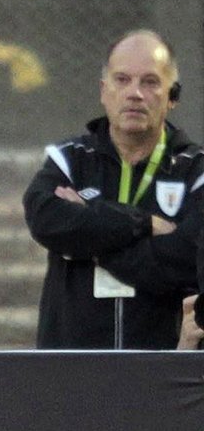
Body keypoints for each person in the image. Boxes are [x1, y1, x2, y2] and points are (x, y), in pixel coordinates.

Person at [23, 29, 204, 349]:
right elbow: (46, 219)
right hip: (74, 364)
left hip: (165, 363)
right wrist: (142, 223)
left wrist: (90, 240)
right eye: (122, 80)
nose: (135, 93)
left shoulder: (195, 170)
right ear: (103, 91)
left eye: (150, 82)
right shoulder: (70, 161)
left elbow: (188, 257)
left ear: (172, 96)